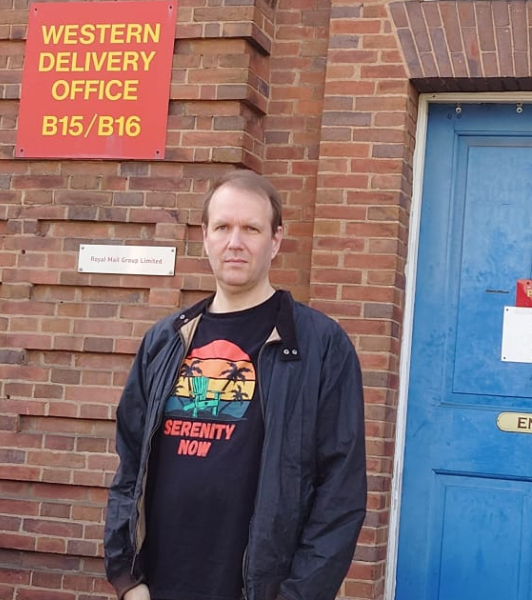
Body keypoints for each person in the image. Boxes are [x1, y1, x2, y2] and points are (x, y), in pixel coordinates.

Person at [103, 171, 366, 600]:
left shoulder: (320, 345)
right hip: (159, 585)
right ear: (205, 236)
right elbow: (129, 465)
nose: (235, 242)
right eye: (223, 227)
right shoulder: (165, 340)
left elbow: (341, 493)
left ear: (276, 240)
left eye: (252, 229)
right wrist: (128, 579)